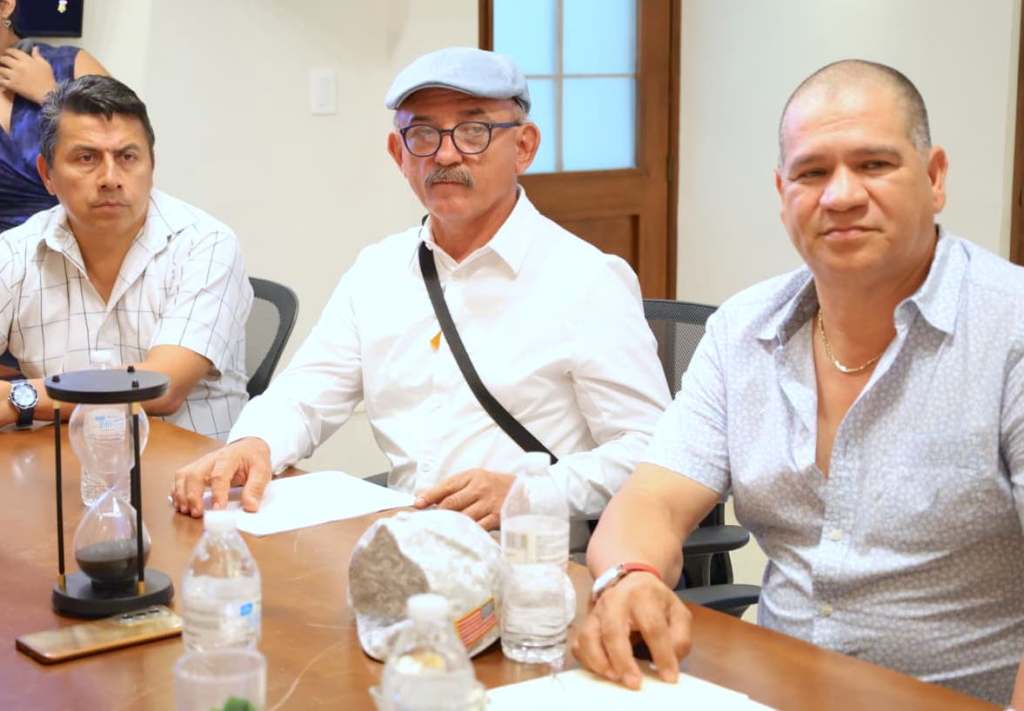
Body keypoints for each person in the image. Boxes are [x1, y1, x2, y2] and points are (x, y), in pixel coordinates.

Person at [574, 59, 1024, 706]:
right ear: (782, 191)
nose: (840, 196)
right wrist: (631, 576)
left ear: (935, 177)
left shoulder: (1009, 331)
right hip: (773, 688)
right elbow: (653, 500)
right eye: (812, 173)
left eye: (874, 165)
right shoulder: (743, 332)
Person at [172, 47, 670, 530]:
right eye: (423, 134)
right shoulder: (379, 272)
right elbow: (305, 395)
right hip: (406, 544)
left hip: (534, 552)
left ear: (524, 147)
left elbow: (650, 450)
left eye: (473, 131)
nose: (446, 153)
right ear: (399, 153)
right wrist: (255, 442)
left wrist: (527, 494)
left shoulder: (587, 280)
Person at [0, 75, 252, 438]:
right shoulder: (15, 251)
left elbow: (162, 386)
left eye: (127, 157)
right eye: (86, 158)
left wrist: (18, 399)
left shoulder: (206, 244)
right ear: (47, 175)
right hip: (60, 461)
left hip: (191, 466)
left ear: (152, 165)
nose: (110, 178)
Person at [0, 0, 107, 232]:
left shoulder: (71, 65)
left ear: (6, 6)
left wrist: (50, 94)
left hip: (83, 239)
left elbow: (124, 145)